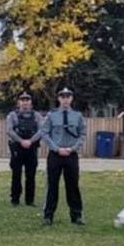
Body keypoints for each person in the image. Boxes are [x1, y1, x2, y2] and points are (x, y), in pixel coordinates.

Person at [40, 87, 87, 226]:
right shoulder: (51, 115)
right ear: (59, 99)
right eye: (63, 97)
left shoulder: (77, 116)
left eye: (68, 96)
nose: (65, 99)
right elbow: (44, 133)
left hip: (71, 155)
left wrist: (72, 148)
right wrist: (56, 148)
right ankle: (48, 216)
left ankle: (76, 215)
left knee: (73, 186)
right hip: (55, 155)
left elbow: (82, 134)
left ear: (72, 99)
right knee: (52, 185)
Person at [6, 92, 44, 207]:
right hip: (17, 147)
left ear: (30, 102)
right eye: (23, 100)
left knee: (31, 175)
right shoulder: (12, 115)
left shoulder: (37, 116)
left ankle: (30, 200)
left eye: (27, 100)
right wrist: (21, 141)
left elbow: (41, 130)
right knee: (16, 174)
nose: (25, 102)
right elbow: (9, 131)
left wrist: (30, 141)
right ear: (19, 102)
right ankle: (15, 200)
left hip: (31, 148)